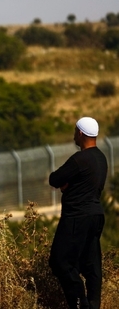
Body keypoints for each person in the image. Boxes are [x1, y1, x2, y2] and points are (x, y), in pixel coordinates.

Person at [48, 116, 108, 309]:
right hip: (96, 216)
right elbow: (89, 185)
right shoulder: (101, 158)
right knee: (91, 264)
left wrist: (67, 186)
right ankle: (93, 304)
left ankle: (80, 304)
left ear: (80, 133)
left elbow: (55, 179)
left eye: (75, 131)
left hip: (77, 217)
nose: (74, 135)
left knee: (60, 262)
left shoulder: (79, 159)